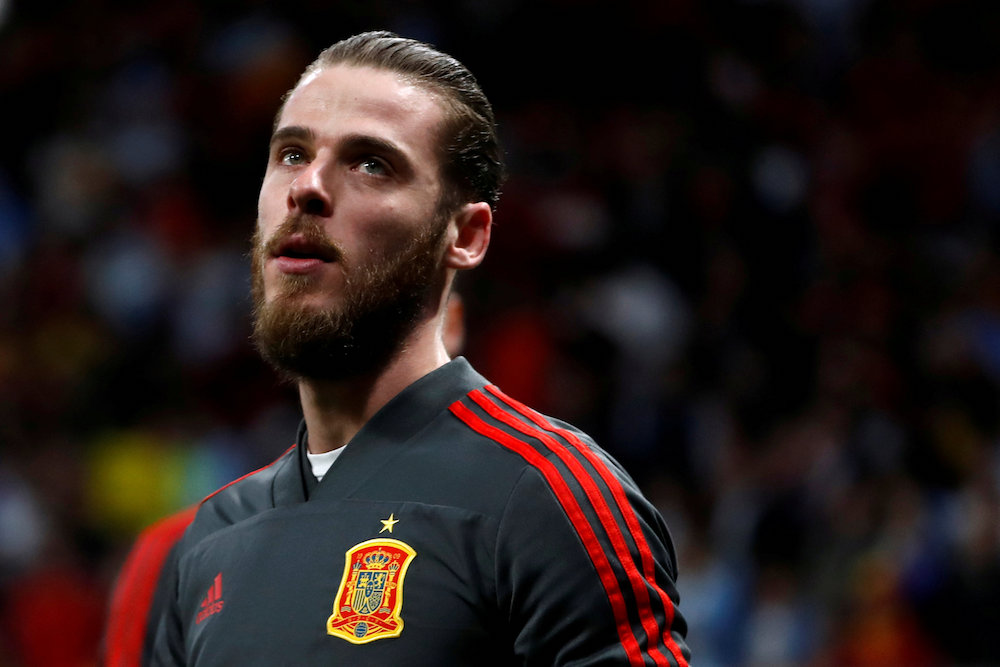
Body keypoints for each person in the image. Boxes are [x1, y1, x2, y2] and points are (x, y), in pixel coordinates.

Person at [142, 31, 690, 666]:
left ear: (465, 235)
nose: (308, 187)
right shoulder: (210, 538)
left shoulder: (550, 496)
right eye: (291, 154)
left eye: (371, 163)